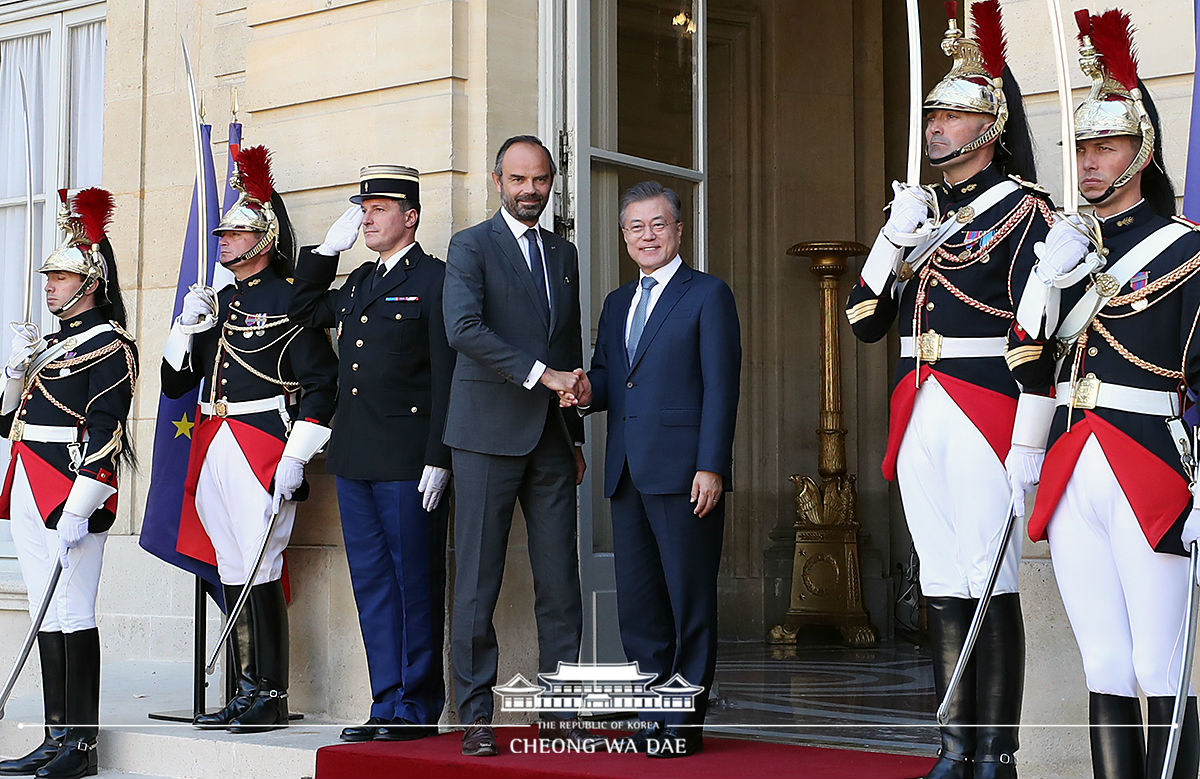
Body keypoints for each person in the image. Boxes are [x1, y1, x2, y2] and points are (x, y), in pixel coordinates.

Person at [843, 3, 1052, 777]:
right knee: (939, 579)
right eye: (932, 113)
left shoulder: (1028, 212)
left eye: (952, 114)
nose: (935, 126)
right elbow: (866, 320)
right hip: (921, 402)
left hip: (985, 403)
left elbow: (1042, 338)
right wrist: (892, 238)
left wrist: (1035, 433)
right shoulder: (920, 210)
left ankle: (997, 752)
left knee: (986, 579)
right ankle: (953, 742)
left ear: (989, 125)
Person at [1013, 10, 1200, 778]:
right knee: (1105, 665)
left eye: (1107, 145)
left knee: (1161, 666)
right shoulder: (1068, 243)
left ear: (1142, 150)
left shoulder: (1184, 247)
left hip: (1151, 463)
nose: (1088, 162)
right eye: (1081, 146)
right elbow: (1026, 363)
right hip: (1076, 460)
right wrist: (1045, 282)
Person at [160, 145, 337, 733]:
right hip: (215, 436)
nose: (223, 241)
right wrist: (185, 331)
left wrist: (297, 454)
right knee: (233, 563)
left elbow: (321, 381)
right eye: (222, 234)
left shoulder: (290, 295)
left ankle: (271, 693)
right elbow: (177, 382)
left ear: (262, 239)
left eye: (234, 234)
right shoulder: (223, 300)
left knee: (261, 562)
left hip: (264, 438)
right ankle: (243, 688)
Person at [569, 181, 740, 757]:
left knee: (687, 596)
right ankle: (652, 710)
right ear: (623, 237)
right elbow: (612, 376)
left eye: (658, 224)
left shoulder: (708, 295)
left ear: (678, 229)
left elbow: (721, 387)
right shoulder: (618, 302)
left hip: (686, 473)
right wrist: (583, 390)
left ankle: (684, 719)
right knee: (639, 602)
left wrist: (712, 466)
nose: (647, 236)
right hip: (626, 471)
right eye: (635, 227)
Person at [289, 165, 454, 741]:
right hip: (356, 459)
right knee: (373, 584)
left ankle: (416, 705)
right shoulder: (357, 282)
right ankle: (386, 700)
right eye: (364, 208)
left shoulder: (435, 279)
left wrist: (440, 455)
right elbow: (299, 311)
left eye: (379, 208)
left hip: (409, 461)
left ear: (410, 216)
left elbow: (448, 375)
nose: (366, 217)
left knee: (414, 581)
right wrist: (324, 254)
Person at [442, 135, 593, 757]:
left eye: (540, 179)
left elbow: (569, 342)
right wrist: (541, 375)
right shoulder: (470, 245)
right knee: (477, 579)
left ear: (551, 180)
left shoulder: (565, 251)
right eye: (518, 179)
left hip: (553, 440)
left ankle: (563, 713)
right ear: (497, 181)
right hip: (484, 435)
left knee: (561, 581)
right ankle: (475, 713)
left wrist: (576, 430)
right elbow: (462, 329)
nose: (530, 190)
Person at [0, 188, 137, 779]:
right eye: (50, 277)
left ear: (90, 285)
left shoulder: (111, 346)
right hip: (29, 477)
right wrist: (14, 370)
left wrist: (83, 503)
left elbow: (107, 431)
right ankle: (56, 738)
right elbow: (7, 421)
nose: (50, 286)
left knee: (74, 611)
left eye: (61, 278)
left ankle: (81, 747)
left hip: (67, 488)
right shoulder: (51, 345)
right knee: (45, 611)